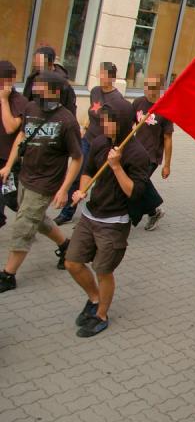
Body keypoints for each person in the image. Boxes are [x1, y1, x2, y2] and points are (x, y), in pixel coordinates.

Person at [65, 104, 150, 337]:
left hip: (114, 222)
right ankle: (94, 298)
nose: (103, 125)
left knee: (103, 270)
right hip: (90, 215)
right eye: (101, 120)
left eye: (108, 121)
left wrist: (116, 166)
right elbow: (88, 171)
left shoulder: (137, 154)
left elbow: (134, 192)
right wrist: (82, 190)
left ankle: (101, 315)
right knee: (72, 262)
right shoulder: (100, 143)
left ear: (122, 123)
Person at [0, 72, 82, 292]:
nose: (36, 90)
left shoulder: (67, 121)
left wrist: (64, 189)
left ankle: (8, 275)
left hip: (46, 182)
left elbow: (77, 157)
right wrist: (9, 165)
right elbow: (21, 136)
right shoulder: (31, 108)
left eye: (41, 87)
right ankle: (66, 246)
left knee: (24, 227)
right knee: (37, 219)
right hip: (26, 176)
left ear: (55, 91)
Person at [55, 62, 132, 226]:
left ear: (112, 78)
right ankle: (67, 211)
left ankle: (91, 215)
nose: (101, 77)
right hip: (87, 140)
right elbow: (91, 112)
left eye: (105, 75)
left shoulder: (116, 99)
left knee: (96, 179)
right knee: (77, 175)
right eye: (100, 74)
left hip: (102, 145)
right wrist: (84, 126)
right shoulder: (95, 91)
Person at [131, 75, 172, 231]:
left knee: (137, 186)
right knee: (140, 185)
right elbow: (129, 124)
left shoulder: (164, 109)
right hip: (135, 153)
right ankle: (154, 212)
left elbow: (168, 138)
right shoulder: (138, 103)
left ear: (159, 89)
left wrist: (167, 165)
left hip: (151, 156)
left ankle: (127, 216)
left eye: (152, 87)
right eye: (146, 85)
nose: (148, 90)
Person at [0, 61, 27, 228]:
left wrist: (4, 100)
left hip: (8, 164)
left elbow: (10, 128)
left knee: (15, 201)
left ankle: (33, 217)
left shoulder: (19, 102)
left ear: (11, 80)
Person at [22, 46, 76, 115]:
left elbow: (70, 108)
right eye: (35, 62)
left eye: (39, 63)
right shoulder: (33, 76)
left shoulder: (62, 83)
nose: (36, 65)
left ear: (50, 64)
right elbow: (26, 98)